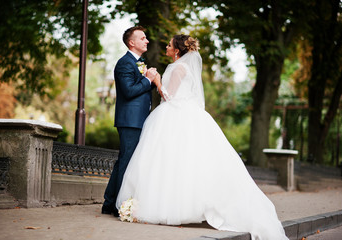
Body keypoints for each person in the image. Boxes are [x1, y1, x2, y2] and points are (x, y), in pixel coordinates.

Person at [116, 34, 288, 240]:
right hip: (185, 113)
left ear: (177, 51)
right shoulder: (183, 67)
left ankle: (172, 206)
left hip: (174, 115)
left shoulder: (178, 68)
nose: (166, 46)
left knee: (170, 162)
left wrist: (158, 81)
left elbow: (169, 96)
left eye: (169, 45)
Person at [101, 26, 158, 217]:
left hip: (139, 119)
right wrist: (148, 80)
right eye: (142, 38)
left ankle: (110, 203)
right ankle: (119, 205)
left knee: (124, 161)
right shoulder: (125, 63)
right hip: (130, 121)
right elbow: (128, 91)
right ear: (131, 42)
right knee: (127, 162)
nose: (147, 41)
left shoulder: (139, 62)